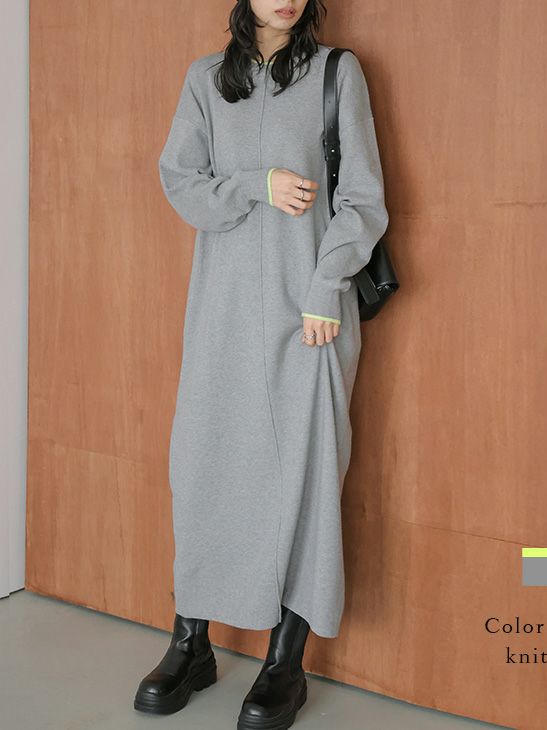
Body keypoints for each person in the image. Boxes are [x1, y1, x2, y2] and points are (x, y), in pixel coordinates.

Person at [133, 1, 389, 728]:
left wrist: (325, 288)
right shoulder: (205, 80)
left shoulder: (338, 73)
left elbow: (363, 199)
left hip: (311, 314)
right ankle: (192, 642)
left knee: (307, 474)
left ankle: (285, 661)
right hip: (222, 311)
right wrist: (256, 183)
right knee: (205, 462)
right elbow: (182, 183)